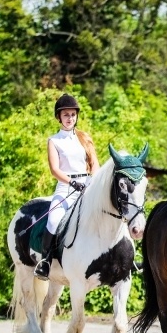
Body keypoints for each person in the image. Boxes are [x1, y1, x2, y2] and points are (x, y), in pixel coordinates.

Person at [34, 94, 100, 281]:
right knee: (54, 220)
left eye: (72, 114)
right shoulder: (54, 141)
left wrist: (93, 182)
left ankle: (123, 257)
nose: (70, 118)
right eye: (66, 115)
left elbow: (95, 163)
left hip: (88, 186)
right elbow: (55, 170)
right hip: (66, 188)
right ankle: (45, 262)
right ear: (59, 117)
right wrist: (72, 183)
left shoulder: (85, 138)